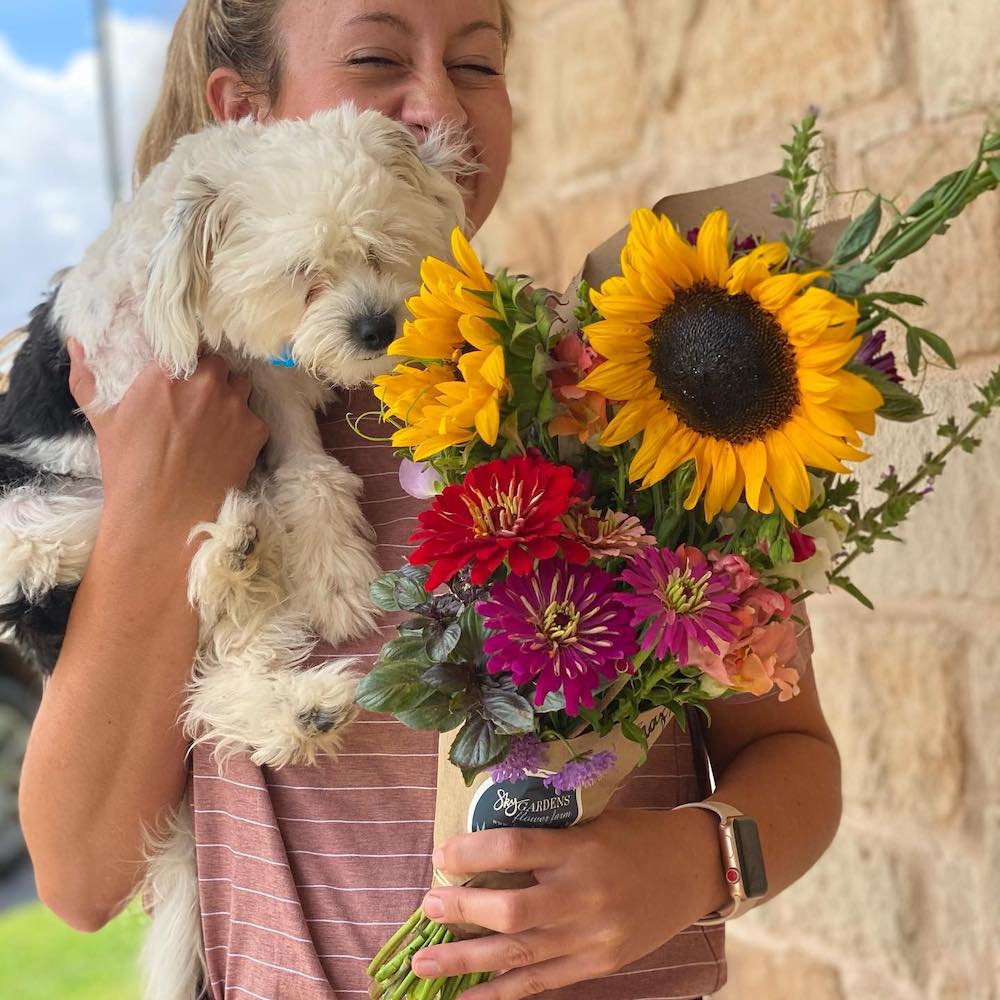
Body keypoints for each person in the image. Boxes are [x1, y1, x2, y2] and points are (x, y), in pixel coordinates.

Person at [18, 2, 843, 998]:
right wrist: (161, 509)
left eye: (477, 64)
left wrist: (688, 864)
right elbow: (79, 877)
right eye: (374, 57)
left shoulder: (627, 388)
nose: (436, 104)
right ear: (242, 117)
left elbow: (792, 754)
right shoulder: (170, 423)